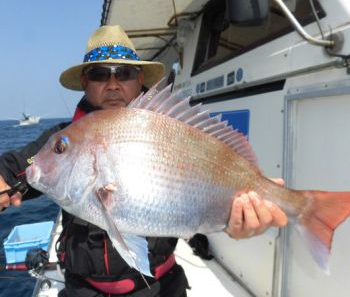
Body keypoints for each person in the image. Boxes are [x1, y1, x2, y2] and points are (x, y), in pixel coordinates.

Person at [0, 25, 288, 297]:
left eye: (123, 73)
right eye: (100, 74)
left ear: (139, 80)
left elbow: (207, 193)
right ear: (85, 82)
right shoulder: (64, 137)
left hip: (161, 288)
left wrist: (236, 223)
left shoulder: (168, 127)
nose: (112, 84)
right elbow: (14, 168)